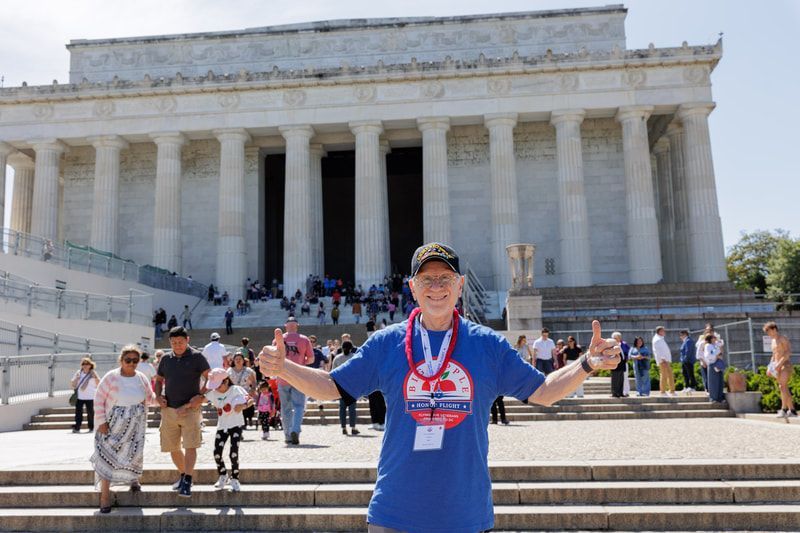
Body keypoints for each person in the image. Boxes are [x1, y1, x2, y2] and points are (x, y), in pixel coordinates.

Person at [258, 242, 621, 532]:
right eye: (427, 280)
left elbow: (544, 392)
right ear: (412, 288)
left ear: (459, 285)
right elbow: (331, 387)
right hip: (395, 512)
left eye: (445, 279)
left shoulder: (487, 345)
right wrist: (284, 367)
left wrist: (587, 363)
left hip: (464, 513)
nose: (436, 288)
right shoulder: (387, 343)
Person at [91, 345, 155, 513]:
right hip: (113, 421)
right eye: (128, 360)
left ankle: (133, 480)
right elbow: (98, 399)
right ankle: (105, 496)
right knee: (107, 456)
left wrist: (164, 400)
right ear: (121, 360)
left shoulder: (141, 377)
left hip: (137, 422)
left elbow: (150, 397)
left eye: (135, 360)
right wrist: (101, 422)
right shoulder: (111, 377)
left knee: (134, 453)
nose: (132, 363)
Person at [155, 327, 211, 498]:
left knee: (190, 445)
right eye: (174, 343)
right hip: (169, 409)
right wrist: (158, 396)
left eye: (180, 342)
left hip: (190, 409)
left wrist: (200, 396)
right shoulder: (165, 358)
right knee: (172, 447)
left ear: (187, 340)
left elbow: (210, 378)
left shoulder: (197, 357)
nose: (177, 345)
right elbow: (159, 379)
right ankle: (183, 474)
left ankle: (187, 480)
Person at [204, 368, 249, 492]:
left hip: (236, 425)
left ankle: (235, 478)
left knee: (233, 453)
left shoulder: (236, 390)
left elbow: (250, 400)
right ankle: (223, 474)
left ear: (226, 381)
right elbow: (201, 400)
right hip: (222, 426)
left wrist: (243, 406)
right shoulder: (213, 393)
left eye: (218, 385)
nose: (216, 389)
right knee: (217, 452)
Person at [276, 316, 314, 445]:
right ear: (297, 326)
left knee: (285, 408)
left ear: (285, 326)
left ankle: (287, 435)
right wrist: (301, 362)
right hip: (298, 377)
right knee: (299, 406)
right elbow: (311, 359)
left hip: (283, 376)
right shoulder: (304, 339)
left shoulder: (278, 339)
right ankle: (295, 430)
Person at [764, 321, 797, 418]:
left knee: (782, 386)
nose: (768, 334)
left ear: (774, 329)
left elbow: (788, 352)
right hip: (777, 366)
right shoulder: (773, 341)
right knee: (783, 387)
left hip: (785, 365)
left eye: (769, 331)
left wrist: (779, 364)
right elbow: (774, 355)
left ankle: (784, 409)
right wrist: (770, 367)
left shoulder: (782, 339)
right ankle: (792, 410)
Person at [332, 341, 360, 435]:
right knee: (352, 408)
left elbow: (333, 372)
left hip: (340, 385)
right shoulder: (354, 357)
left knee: (342, 408)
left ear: (342, 347)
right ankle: (353, 427)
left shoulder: (337, 358)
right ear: (351, 348)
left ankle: (343, 427)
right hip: (352, 385)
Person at [70, 357, 100, 433]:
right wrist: (77, 378)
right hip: (80, 396)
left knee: (91, 413)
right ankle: (77, 427)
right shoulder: (79, 372)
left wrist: (95, 377)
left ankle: (91, 427)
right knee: (78, 413)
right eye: (83, 364)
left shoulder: (93, 373)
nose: (85, 365)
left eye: (87, 364)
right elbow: (73, 384)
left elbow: (98, 384)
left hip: (90, 396)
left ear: (90, 365)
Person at [228, 352, 257, 429]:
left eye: (240, 359)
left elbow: (254, 382)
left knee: (244, 410)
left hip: (245, 393)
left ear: (243, 360)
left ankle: (243, 425)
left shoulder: (249, 371)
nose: (238, 361)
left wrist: (253, 390)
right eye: (236, 359)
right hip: (233, 394)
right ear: (233, 360)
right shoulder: (229, 371)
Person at [700, 333, 727, 403]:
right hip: (712, 364)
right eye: (714, 337)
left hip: (718, 364)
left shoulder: (715, 345)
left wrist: (719, 350)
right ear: (711, 339)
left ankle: (720, 398)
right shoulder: (708, 346)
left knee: (720, 382)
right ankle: (713, 398)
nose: (715, 339)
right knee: (713, 382)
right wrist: (716, 355)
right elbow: (708, 355)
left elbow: (720, 352)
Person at [652, 326, 675, 396]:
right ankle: (663, 392)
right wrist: (662, 359)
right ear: (659, 331)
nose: (664, 332)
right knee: (664, 375)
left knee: (669, 375)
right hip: (663, 360)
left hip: (665, 360)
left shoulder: (660, 338)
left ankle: (671, 391)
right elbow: (658, 351)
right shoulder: (657, 339)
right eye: (663, 330)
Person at [610, 332, 629, 398]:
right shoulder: (611, 346)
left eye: (618, 337)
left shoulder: (622, 344)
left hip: (622, 364)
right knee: (615, 379)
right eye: (615, 338)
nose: (617, 339)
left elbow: (626, 352)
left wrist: (626, 358)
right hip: (615, 364)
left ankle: (620, 392)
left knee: (621, 379)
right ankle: (615, 393)